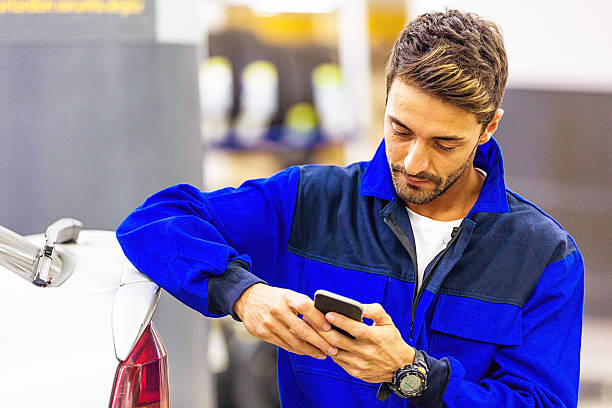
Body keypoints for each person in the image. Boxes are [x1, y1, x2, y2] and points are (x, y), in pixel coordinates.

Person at [116, 9, 583, 408]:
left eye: (444, 143)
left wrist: (412, 373)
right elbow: (153, 222)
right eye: (400, 130)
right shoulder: (311, 201)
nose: (415, 162)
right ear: (384, 99)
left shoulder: (543, 255)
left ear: (488, 128)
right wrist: (242, 294)